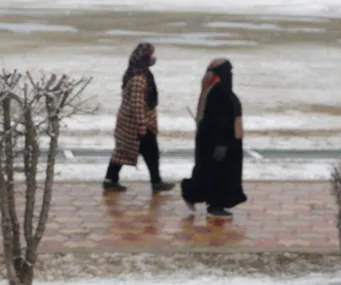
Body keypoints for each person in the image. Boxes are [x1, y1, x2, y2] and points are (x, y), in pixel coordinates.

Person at [104, 42, 174, 193]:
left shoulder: (141, 73)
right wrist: (142, 125)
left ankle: (111, 179)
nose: (154, 57)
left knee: (127, 151)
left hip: (134, 121)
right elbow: (137, 104)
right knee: (140, 151)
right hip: (136, 123)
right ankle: (155, 182)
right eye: (152, 54)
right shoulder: (138, 78)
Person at [181, 58, 247, 218]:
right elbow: (219, 121)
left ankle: (191, 193)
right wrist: (222, 144)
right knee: (219, 173)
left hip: (214, 141)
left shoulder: (215, 89)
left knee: (207, 172)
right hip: (220, 141)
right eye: (229, 72)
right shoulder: (219, 92)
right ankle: (215, 205)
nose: (231, 75)